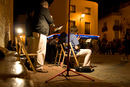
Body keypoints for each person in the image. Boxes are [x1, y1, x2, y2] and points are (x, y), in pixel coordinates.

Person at [28, 0, 54, 73]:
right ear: (46, 5)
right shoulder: (44, 9)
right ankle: (39, 67)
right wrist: (51, 17)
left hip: (35, 32)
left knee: (36, 49)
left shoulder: (36, 10)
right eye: (48, 6)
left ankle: (34, 65)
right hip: (42, 32)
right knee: (41, 50)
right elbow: (50, 21)